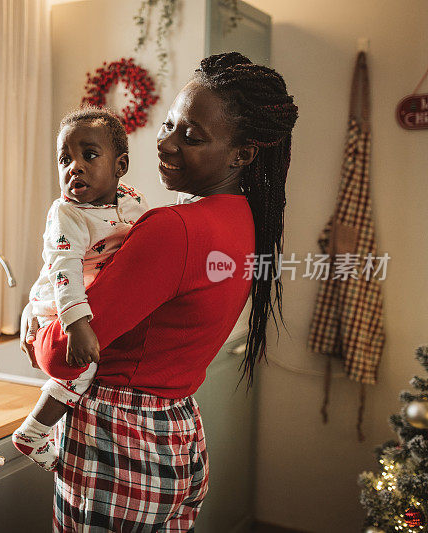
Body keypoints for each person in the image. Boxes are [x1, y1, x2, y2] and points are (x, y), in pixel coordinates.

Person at [21, 52, 298, 531]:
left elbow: (65, 355)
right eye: (169, 123)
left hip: (119, 441)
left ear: (242, 154)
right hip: (176, 433)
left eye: (191, 136)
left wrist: (38, 324)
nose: (165, 143)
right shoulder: (243, 221)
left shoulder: (173, 228)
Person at [12, 107, 149, 471]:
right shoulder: (68, 213)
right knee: (82, 371)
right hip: (59, 301)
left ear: (120, 166)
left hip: (84, 296)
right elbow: (64, 270)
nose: (74, 166)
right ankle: (32, 433)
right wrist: (75, 325)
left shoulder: (132, 200)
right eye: (65, 159)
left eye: (89, 155)